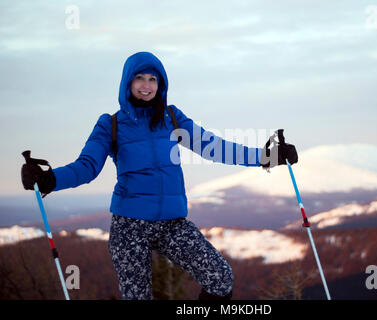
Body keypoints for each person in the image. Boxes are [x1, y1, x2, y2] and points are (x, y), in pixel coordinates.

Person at [21, 51, 298, 300]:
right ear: (127, 82)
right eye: (139, 78)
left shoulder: (172, 118)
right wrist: (49, 179)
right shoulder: (111, 124)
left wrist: (266, 156)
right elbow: (87, 167)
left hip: (172, 224)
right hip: (130, 227)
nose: (146, 85)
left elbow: (213, 147)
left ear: (160, 84)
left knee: (220, 279)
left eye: (153, 79)